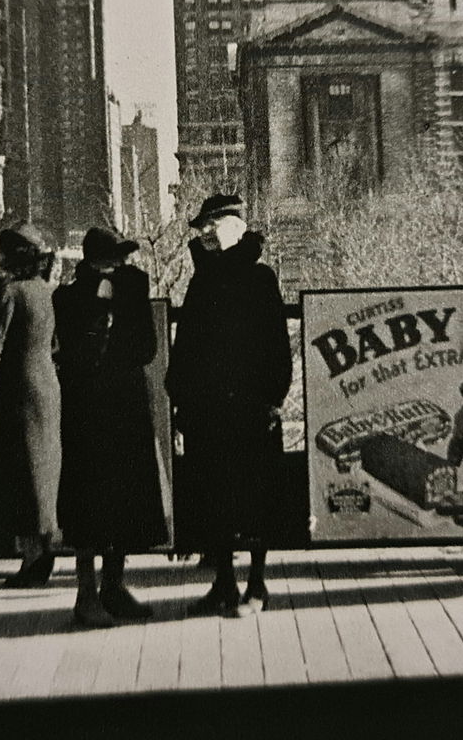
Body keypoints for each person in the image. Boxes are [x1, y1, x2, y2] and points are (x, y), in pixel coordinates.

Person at [167, 193, 292, 618]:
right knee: (214, 496)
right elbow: (185, 349)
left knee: (254, 495)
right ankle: (224, 583)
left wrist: (273, 399)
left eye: (211, 226)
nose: (204, 235)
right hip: (209, 409)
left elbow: (277, 347)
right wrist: (182, 398)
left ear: (233, 228)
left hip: (251, 407)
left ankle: (256, 584)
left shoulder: (261, 279)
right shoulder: (202, 282)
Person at [53, 226, 168, 627]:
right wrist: (99, 302)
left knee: (122, 498)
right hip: (95, 411)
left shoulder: (125, 289)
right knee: (90, 502)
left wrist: (114, 297)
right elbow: (76, 350)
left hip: (113, 408)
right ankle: (88, 594)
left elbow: (145, 347)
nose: (120, 267)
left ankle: (111, 587)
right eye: (114, 259)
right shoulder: (69, 298)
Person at [0, 222, 62, 588]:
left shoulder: (9, 293)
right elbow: (56, 344)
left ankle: (33, 559)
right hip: (47, 385)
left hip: (18, 388)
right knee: (43, 469)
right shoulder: (46, 290)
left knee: (22, 471)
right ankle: (45, 546)